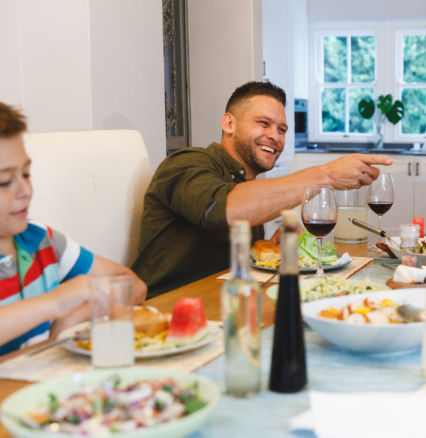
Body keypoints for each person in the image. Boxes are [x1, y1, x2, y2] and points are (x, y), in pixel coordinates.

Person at [132, 81, 392, 298]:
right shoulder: (185, 162)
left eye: (281, 129)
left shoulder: (247, 184)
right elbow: (225, 210)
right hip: (167, 306)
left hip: (229, 302)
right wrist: (326, 174)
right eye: (263, 123)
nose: (275, 136)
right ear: (229, 124)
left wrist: (267, 247)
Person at [0, 102, 147, 356]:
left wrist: (76, 315)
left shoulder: (42, 241)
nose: (25, 191)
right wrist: (54, 303)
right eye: (4, 181)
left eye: (25, 174)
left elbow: (134, 285)